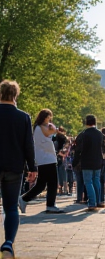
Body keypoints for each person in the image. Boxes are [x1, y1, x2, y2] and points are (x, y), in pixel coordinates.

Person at [0, 80, 37, 259]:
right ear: (15, 95)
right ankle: (8, 243)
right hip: (15, 167)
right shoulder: (23, 117)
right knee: (11, 207)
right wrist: (32, 167)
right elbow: (28, 145)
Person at [19, 109, 63, 214]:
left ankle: (24, 199)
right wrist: (53, 129)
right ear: (44, 117)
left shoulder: (42, 127)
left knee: (41, 184)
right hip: (46, 159)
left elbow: (52, 131)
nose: (49, 120)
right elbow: (50, 132)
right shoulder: (39, 128)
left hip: (47, 159)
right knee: (52, 182)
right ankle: (50, 205)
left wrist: (52, 128)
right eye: (48, 118)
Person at [73, 115, 104, 211]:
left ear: (86, 122)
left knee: (88, 182)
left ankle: (92, 203)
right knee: (96, 180)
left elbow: (78, 150)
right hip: (98, 160)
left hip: (87, 161)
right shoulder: (100, 134)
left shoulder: (83, 134)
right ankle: (99, 201)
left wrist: (75, 161)